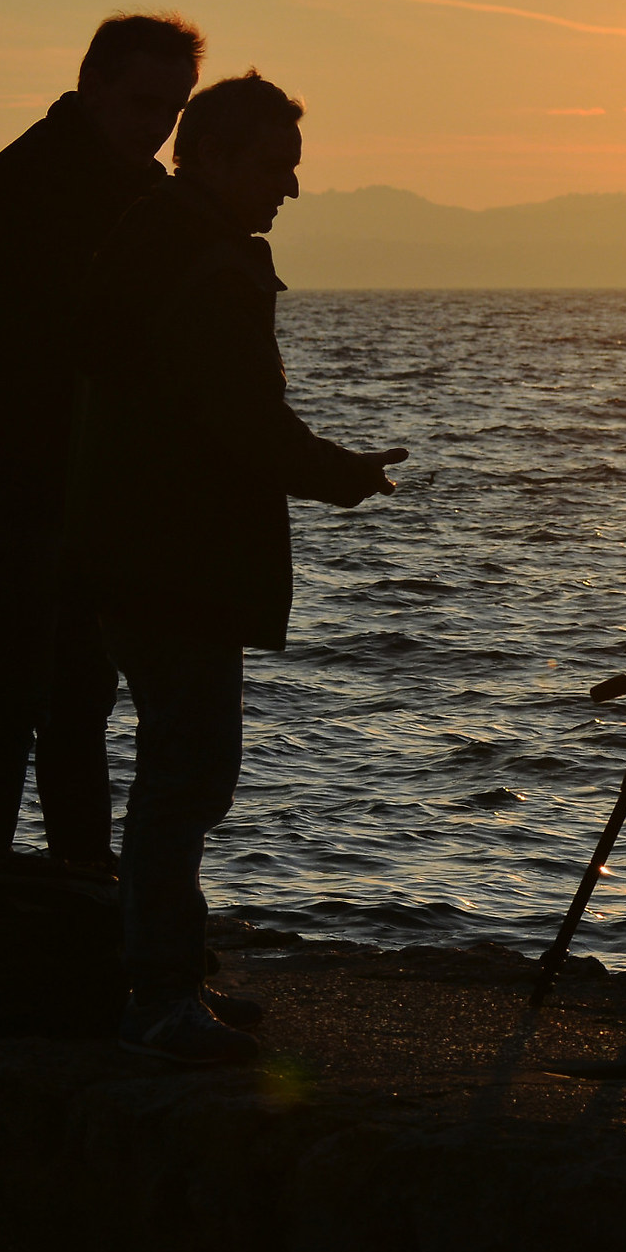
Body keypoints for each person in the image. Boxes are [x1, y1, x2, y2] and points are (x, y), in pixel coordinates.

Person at [67, 70, 408, 1065]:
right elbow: (247, 425)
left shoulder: (148, 240)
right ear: (213, 156)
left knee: (173, 774)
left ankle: (167, 968)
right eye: (274, 165)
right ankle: (163, 996)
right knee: (187, 778)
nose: (288, 190)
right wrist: (341, 477)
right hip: (179, 566)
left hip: (129, 555)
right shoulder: (208, 267)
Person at [0, 13, 205, 872]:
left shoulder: (114, 185)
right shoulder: (41, 187)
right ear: (92, 87)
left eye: (173, 109)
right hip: (18, 487)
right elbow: (59, 350)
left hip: (66, 488)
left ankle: (70, 901)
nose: (157, 124)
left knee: (71, 706)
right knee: (21, 701)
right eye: (142, 102)